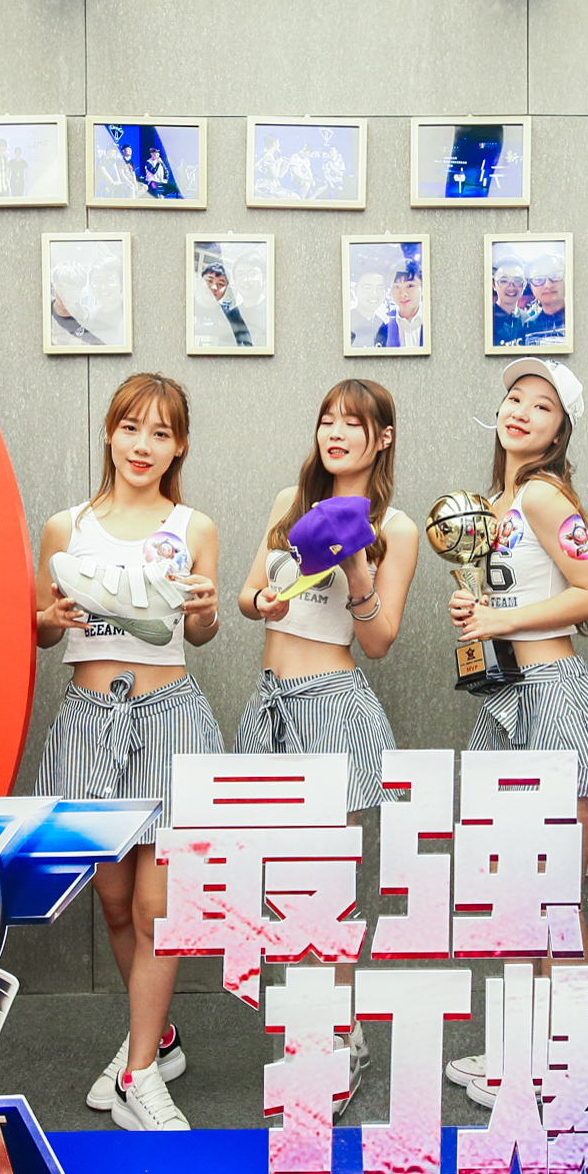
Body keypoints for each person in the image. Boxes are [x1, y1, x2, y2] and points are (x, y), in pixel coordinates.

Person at [32, 373, 224, 1132]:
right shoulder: (66, 527)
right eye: (131, 428)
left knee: (156, 909)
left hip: (170, 718)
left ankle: (139, 1074)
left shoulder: (193, 525)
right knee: (113, 902)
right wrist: (47, 618)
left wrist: (206, 612)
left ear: (179, 447)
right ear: (110, 433)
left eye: (161, 433)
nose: (143, 445)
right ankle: (158, 1039)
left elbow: (199, 634)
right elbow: (42, 629)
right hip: (88, 721)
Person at [236, 380, 420, 1091]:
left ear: (383, 437)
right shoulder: (291, 502)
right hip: (271, 706)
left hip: (333, 707)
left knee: (327, 886)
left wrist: (356, 565)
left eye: (353, 422)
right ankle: (323, 1027)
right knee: (284, 884)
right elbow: (248, 596)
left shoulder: (395, 526)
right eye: (326, 420)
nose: (335, 433)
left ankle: (334, 1041)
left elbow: (379, 640)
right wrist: (265, 597)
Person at [443, 358, 588, 1106]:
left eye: (541, 406)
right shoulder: (490, 504)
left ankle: (572, 1067)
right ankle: (525, 1050)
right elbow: (500, 602)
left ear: (559, 430)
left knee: (555, 895)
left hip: (553, 695)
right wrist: (473, 613)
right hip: (503, 699)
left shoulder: (544, 495)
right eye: (515, 397)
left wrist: (499, 618)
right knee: (515, 890)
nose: (520, 411)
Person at [199, 258, 253, 348]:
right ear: (200, 281)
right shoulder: (185, 310)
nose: (214, 287)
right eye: (209, 281)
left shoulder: (232, 317)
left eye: (221, 284)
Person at [346, 250, 395, 350]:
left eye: (379, 288)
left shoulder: (381, 324)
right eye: (368, 287)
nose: (374, 294)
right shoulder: (348, 322)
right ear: (356, 290)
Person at [489, 258, 531, 348]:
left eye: (517, 281)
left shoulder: (527, 321)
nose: (511, 287)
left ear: (524, 284)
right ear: (494, 284)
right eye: (504, 281)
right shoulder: (487, 319)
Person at [385, 258, 425, 350]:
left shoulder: (434, 322)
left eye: (410, 286)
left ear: (423, 288)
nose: (403, 294)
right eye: (396, 287)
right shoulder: (384, 330)